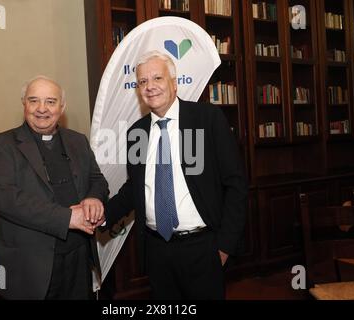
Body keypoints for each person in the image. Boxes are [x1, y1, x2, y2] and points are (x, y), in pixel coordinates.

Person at [105, 51, 248, 299]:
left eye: (157, 78)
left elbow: (236, 184)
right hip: (156, 250)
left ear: (174, 82)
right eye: (142, 82)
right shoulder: (136, 133)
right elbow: (135, 188)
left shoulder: (206, 119)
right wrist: (101, 215)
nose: (150, 87)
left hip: (203, 249)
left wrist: (225, 246)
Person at [0, 76, 108, 299]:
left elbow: (97, 180)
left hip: (78, 258)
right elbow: (4, 198)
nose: (42, 109)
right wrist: (67, 218)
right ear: (24, 104)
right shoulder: (1, 145)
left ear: (62, 107)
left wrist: (94, 198)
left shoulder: (78, 141)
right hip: (30, 264)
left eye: (50, 101)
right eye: (34, 101)